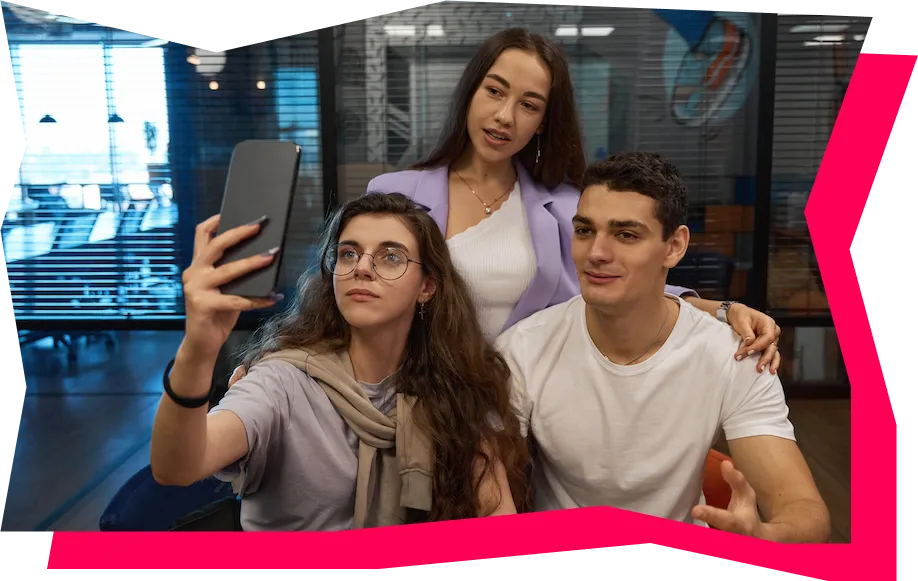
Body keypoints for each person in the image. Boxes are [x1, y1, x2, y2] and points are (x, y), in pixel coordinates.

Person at [364, 27, 780, 367]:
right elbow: (354, 297)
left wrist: (725, 310)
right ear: (471, 91)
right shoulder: (393, 194)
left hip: (520, 405)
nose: (505, 116)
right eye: (494, 91)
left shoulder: (567, 208)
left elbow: (626, 285)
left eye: (529, 105)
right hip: (417, 398)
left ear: (543, 123)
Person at [494, 152, 831, 543]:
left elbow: (805, 513)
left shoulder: (732, 356)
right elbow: (485, 489)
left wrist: (765, 536)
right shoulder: (524, 349)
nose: (596, 253)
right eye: (585, 230)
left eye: (626, 235)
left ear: (675, 246)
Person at [149, 192, 530, 531]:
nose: (362, 267)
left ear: (426, 287)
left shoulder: (453, 386)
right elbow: (177, 466)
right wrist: (198, 350)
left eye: (391, 257)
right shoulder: (283, 380)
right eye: (348, 253)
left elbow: (499, 521)